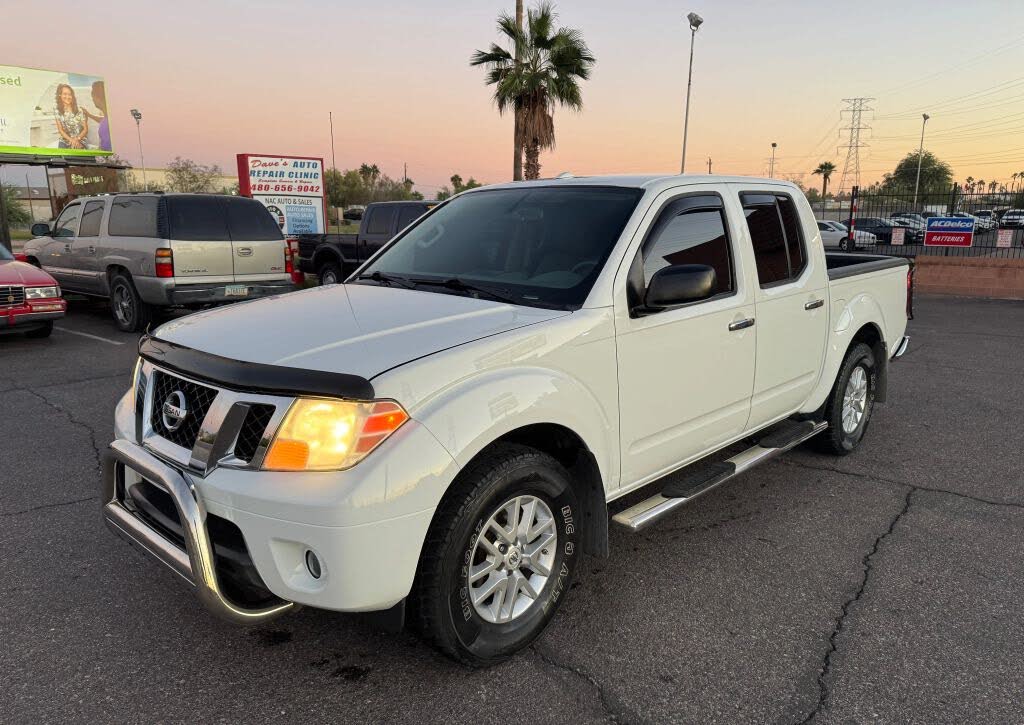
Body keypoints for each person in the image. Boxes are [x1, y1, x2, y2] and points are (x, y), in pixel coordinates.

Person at [53, 83, 89, 149]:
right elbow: (60, 130)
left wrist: (77, 139)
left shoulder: (79, 110)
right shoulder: (56, 110)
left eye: (69, 94)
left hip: (80, 138)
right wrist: (71, 139)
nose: (67, 97)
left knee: (78, 154)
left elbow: (85, 129)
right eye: (65, 94)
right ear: (60, 95)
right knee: (61, 157)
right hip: (65, 139)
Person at [83, 81, 110, 151]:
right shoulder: (109, 115)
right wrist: (89, 115)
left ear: (98, 97)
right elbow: (103, 120)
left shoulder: (105, 128)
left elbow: (106, 151)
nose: (92, 99)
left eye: (93, 96)